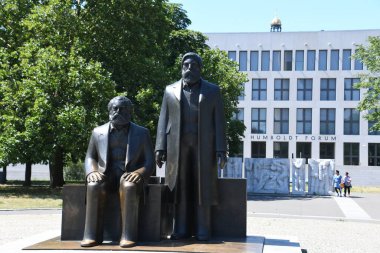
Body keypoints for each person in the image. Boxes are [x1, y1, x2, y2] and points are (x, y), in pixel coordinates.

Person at [155, 52, 227, 241]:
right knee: (180, 187)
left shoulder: (212, 90)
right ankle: (180, 228)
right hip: (176, 147)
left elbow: (219, 121)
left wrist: (221, 149)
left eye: (193, 66)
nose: (189, 69)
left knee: (203, 187)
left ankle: (203, 228)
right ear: (181, 68)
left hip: (204, 146)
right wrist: (160, 147)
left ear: (200, 69)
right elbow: (163, 119)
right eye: (186, 65)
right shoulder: (169, 90)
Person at [81, 96, 154, 248]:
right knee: (94, 185)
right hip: (105, 174)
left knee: (129, 186)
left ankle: (128, 236)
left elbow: (149, 162)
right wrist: (92, 172)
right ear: (109, 111)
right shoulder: (97, 132)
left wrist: (139, 173)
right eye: (115, 109)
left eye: (123, 109)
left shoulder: (142, 133)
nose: (118, 112)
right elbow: (90, 157)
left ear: (130, 112)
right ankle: (91, 236)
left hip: (128, 173)